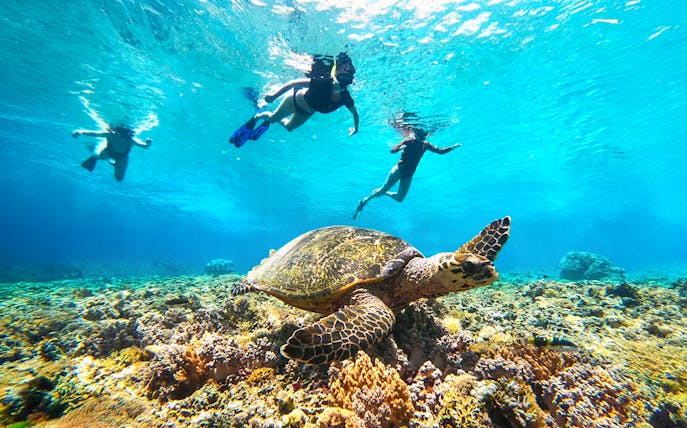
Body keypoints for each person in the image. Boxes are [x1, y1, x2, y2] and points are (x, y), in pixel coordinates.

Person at [229, 53, 360, 147]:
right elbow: (294, 83)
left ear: (349, 83)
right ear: (336, 75)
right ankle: (257, 117)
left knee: (289, 127)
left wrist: (356, 129)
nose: (338, 85)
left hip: (306, 112)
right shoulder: (323, 83)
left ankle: (267, 117)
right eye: (340, 79)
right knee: (273, 119)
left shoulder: (346, 98)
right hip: (295, 100)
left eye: (346, 81)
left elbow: (355, 114)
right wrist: (274, 95)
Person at [352, 128, 461, 219]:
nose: (420, 138)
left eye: (422, 136)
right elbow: (392, 150)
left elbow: (440, 151)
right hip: (399, 169)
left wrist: (452, 147)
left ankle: (384, 193)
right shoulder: (408, 141)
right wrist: (399, 148)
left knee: (399, 199)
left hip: (408, 174)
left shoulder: (425, 145)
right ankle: (365, 200)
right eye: (420, 135)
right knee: (383, 189)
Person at [72, 125, 152, 182]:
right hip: (108, 152)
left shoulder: (131, 140)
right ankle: (96, 150)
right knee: (97, 156)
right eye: (118, 136)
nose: (120, 139)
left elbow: (144, 146)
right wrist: (80, 131)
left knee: (119, 179)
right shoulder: (110, 135)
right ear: (115, 133)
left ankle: (115, 163)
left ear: (127, 136)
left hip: (122, 159)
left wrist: (148, 143)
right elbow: (93, 133)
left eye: (122, 137)